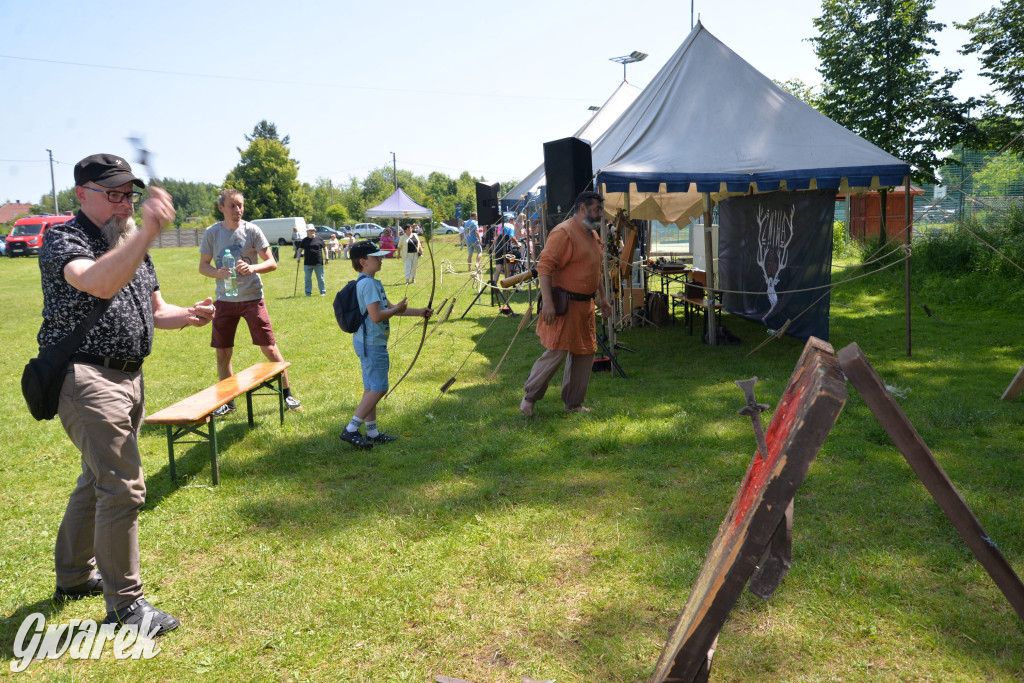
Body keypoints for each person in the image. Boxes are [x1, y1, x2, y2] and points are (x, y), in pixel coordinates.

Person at [41, 153, 215, 636]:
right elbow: (96, 282)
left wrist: (190, 314)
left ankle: (74, 576)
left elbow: (156, 309)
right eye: (113, 193)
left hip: (129, 377)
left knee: (95, 479)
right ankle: (126, 608)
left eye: (128, 194)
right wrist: (145, 232)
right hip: (87, 379)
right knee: (122, 486)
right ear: (82, 193)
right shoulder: (64, 238)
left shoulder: (129, 239)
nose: (124, 203)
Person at [199, 188, 301, 416]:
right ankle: (228, 401)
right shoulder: (212, 233)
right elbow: (203, 266)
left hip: (252, 299)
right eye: (233, 205)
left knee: (269, 348)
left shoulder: (252, 230)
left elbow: (271, 262)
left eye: (240, 205)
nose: (237, 210)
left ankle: (288, 395)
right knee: (222, 354)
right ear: (221, 208)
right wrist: (220, 273)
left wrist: (253, 267)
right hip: (224, 301)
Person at [520, 191, 612, 416]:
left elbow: (595, 269)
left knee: (585, 353)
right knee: (557, 352)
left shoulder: (592, 235)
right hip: (565, 305)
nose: (600, 214)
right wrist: (548, 303)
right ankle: (529, 398)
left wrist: (603, 298)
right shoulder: (563, 232)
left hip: (586, 306)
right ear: (583, 208)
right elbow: (545, 267)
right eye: (597, 209)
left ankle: (574, 403)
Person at [340, 241, 433, 448]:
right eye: (376, 257)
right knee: (379, 388)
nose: (381, 259)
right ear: (363, 262)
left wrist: (418, 311)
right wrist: (396, 309)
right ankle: (351, 429)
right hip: (371, 344)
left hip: (369, 342)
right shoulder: (369, 284)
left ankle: (372, 432)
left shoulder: (372, 282)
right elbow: (377, 316)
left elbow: (391, 308)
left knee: (371, 388)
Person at [297, 225, 327, 296]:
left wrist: (327, 258)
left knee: (320, 278)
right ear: (307, 232)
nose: (312, 231)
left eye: (313, 230)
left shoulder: (319, 239)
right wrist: (298, 258)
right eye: (310, 230)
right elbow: (299, 249)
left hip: (318, 262)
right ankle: (308, 293)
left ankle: (322, 292)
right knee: (307, 279)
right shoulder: (305, 240)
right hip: (307, 263)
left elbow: (325, 248)